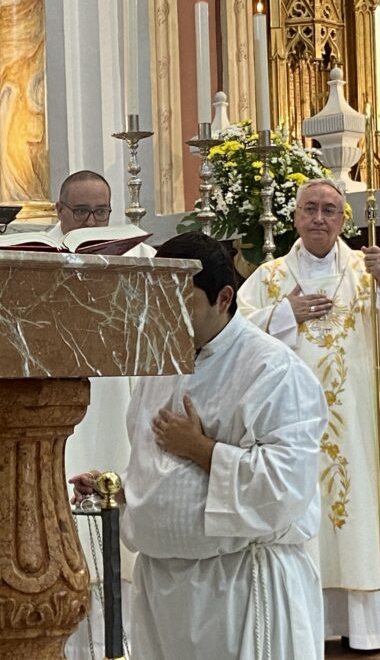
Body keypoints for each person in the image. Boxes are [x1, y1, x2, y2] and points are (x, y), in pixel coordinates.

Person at [72, 232, 328, 659]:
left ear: (223, 297)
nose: (166, 317)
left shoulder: (273, 369)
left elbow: (286, 487)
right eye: (159, 302)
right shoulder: (163, 365)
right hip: (164, 591)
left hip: (238, 586)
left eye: (181, 302)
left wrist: (202, 450)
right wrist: (115, 489)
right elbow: (156, 466)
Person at [235, 179, 380, 650]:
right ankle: (307, 631)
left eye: (329, 210)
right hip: (289, 428)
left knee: (358, 519)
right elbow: (235, 334)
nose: (319, 218)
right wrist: (285, 314)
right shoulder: (268, 280)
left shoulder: (369, 270)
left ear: (344, 219)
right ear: (294, 218)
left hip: (358, 429)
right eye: (310, 209)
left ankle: (367, 629)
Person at [54, 169, 153, 659]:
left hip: (118, 404)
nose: (93, 221)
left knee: (123, 559)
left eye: (101, 212)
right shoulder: (39, 257)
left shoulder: (137, 257)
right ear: (60, 213)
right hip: (65, 413)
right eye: (83, 212)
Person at [47, 169, 156, 257]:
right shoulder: (41, 251)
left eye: (100, 212)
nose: (91, 222)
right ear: (60, 210)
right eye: (81, 211)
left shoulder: (138, 254)